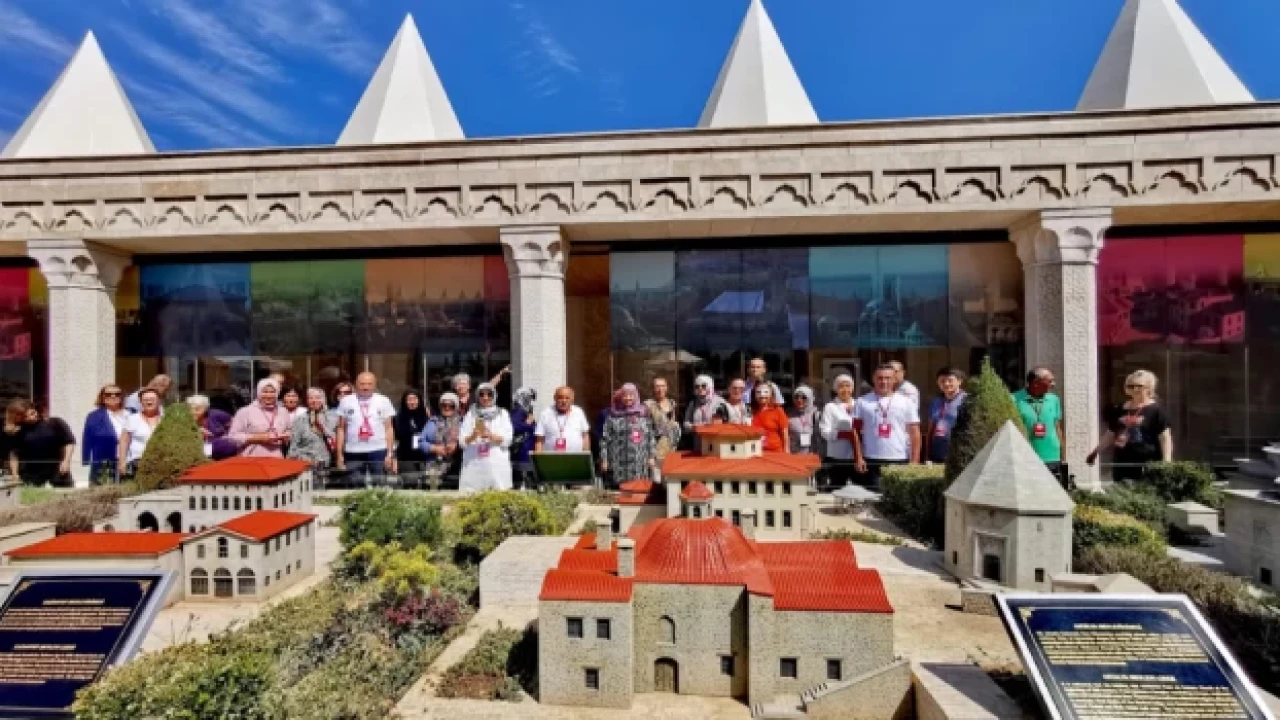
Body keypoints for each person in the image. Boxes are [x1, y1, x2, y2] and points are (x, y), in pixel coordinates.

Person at [1088, 369, 1172, 484]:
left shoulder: (1156, 410)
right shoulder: (1120, 409)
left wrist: (1166, 462)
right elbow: (1111, 434)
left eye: (1139, 386)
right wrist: (1096, 452)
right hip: (1122, 463)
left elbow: (1165, 438)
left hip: (1147, 463)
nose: (1134, 389)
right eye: (1130, 386)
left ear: (1149, 388)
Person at [852, 364, 921, 487]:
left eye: (888, 378)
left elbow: (914, 432)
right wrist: (858, 457)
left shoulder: (906, 402)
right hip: (871, 458)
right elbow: (855, 431)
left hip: (899, 458)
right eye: (880, 378)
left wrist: (914, 461)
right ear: (874, 379)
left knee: (897, 496)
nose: (884, 382)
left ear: (895, 379)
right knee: (873, 496)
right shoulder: (862, 402)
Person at [335, 372, 398, 485]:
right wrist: (339, 454)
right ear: (356, 384)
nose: (366, 387)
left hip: (378, 450)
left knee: (379, 484)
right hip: (353, 451)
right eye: (362, 384)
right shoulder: (346, 401)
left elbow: (389, 428)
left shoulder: (384, 400)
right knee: (354, 484)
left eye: (369, 384)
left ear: (375, 385)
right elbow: (341, 429)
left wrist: (390, 454)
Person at [459, 383, 513, 492]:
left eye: (489, 394)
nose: (485, 397)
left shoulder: (503, 414)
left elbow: (508, 439)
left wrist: (491, 436)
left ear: (494, 396)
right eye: (482, 394)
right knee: (472, 496)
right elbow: (461, 441)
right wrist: (473, 436)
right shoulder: (471, 414)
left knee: (497, 495)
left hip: (496, 465)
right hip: (474, 465)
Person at [1012, 367, 1065, 478]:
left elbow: (1058, 428)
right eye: (1050, 381)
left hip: (1052, 457)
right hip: (1027, 458)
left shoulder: (1054, 400)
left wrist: (1063, 455)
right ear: (1036, 383)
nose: (1053, 384)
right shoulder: (1014, 400)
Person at [600, 384, 656, 484]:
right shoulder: (612, 416)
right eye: (625, 395)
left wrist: (651, 457)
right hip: (618, 465)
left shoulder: (643, 415)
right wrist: (604, 460)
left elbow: (650, 438)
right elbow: (604, 439)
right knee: (618, 491)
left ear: (636, 396)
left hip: (639, 464)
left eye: (631, 395)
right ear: (621, 397)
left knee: (638, 489)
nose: (628, 398)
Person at [11, 402, 75, 487]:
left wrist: (66, 461)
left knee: (64, 493)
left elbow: (69, 442)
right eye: (26, 417)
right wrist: (15, 474)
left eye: (32, 413)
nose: (31, 417)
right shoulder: (20, 431)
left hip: (58, 470)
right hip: (31, 474)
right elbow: (14, 454)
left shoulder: (55, 423)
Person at [229, 378, 293, 458]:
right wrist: (257, 438)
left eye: (272, 392)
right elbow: (232, 438)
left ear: (277, 393)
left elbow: (289, 431)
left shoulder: (283, 411)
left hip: (276, 458)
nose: (268, 395)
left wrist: (286, 436)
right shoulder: (245, 412)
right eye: (265, 392)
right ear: (258, 392)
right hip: (251, 458)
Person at [820, 375, 861, 488]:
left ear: (852, 388)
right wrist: (842, 434)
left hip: (857, 456)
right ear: (836, 389)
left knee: (859, 489)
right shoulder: (830, 407)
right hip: (837, 456)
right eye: (841, 386)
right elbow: (824, 431)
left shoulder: (859, 405)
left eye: (848, 386)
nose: (845, 389)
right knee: (837, 488)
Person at [82, 384, 129, 483]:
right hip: (104, 460)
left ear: (122, 397)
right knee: (103, 489)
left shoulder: (132, 414)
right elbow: (87, 439)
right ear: (102, 398)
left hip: (129, 459)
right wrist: (86, 459)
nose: (113, 396)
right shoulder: (94, 416)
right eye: (108, 394)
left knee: (129, 488)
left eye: (117, 394)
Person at [288, 388, 339, 476]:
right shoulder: (300, 419)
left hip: (326, 462)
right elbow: (293, 445)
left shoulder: (333, 417)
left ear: (324, 399)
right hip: (304, 463)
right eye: (311, 398)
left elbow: (336, 439)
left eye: (318, 397)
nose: (314, 400)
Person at [118, 388, 163, 478]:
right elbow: (124, 441)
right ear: (140, 402)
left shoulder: (166, 418)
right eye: (145, 400)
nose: (149, 402)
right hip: (138, 464)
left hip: (162, 464)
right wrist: (122, 462)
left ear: (159, 401)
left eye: (152, 399)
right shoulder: (132, 419)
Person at [925, 367, 966, 464]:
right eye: (942, 381)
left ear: (959, 381)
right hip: (937, 454)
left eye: (950, 381)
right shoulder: (935, 402)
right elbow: (930, 430)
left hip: (958, 455)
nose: (946, 384)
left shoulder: (966, 401)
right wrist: (927, 455)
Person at [421, 393, 463, 484]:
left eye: (451, 406)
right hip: (434, 463)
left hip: (457, 465)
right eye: (444, 405)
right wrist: (433, 448)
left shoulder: (463, 422)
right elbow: (421, 441)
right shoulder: (432, 421)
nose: (447, 408)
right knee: (432, 489)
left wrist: (457, 445)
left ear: (456, 407)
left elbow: (468, 440)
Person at [535, 386, 591, 453]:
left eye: (567, 398)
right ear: (555, 398)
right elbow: (539, 440)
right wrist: (539, 458)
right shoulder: (545, 413)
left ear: (572, 399)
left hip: (575, 457)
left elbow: (585, 435)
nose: (564, 401)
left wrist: (586, 455)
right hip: (551, 457)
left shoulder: (578, 412)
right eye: (560, 397)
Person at [394, 390, 430, 487]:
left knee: (426, 484)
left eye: (415, 399)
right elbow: (396, 437)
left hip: (424, 455)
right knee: (410, 482)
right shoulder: (399, 417)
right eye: (409, 399)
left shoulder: (426, 415)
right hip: (406, 455)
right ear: (405, 401)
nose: (412, 402)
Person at [643, 378, 681, 464]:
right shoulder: (648, 405)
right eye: (657, 386)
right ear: (653, 388)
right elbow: (646, 431)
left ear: (667, 387)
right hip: (656, 452)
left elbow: (673, 425)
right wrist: (650, 456)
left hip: (671, 450)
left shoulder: (672, 403)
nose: (660, 389)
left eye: (663, 386)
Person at [187, 395, 235, 460]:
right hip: (202, 448)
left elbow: (235, 424)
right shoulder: (186, 419)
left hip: (221, 446)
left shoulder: (217, 414)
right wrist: (198, 430)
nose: (193, 412)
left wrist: (228, 436)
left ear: (206, 408)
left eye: (197, 409)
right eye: (190, 409)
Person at [509, 387, 538, 488]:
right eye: (527, 398)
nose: (530, 401)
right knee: (523, 481)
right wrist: (528, 424)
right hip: (522, 452)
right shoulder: (518, 411)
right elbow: (514, 427)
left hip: (526, 450)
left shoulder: (524, 411)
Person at [683, 375, 727, 439]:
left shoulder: (720, 403)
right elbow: (686, 423)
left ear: (710, 386)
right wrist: (693, 427)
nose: (700, 388)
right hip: (698, 442)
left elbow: (726, 424)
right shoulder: (693, 403)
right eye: (697, 386)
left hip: (715, 441)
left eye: (703, 386)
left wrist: (708, 427)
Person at [750, 384, 790, 453]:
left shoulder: (777, 410)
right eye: (758, 392)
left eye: (766, 392)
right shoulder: (750, 410)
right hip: (755, 451)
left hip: (775, 451)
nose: (762, 395)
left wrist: (786, 450)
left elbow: (785, 432)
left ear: (771, 394)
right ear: (754, 395)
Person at [787, 385, 821, 456]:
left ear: (810, 398)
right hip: (793, 456)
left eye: (804, 397)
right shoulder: (789, 415)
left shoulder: (817, 415)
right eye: (796, 397)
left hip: (811, 456)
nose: (799, 400)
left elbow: (821, 439)